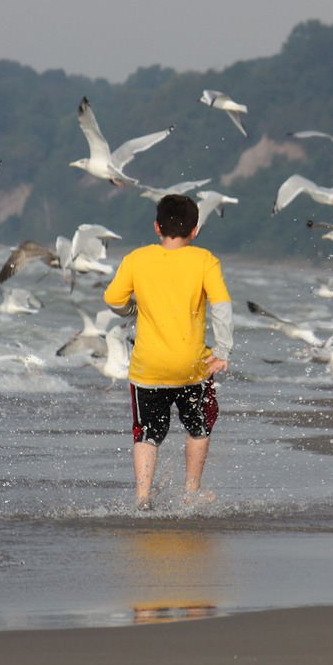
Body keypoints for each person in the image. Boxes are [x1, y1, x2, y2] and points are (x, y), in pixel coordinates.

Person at [103, 194, 233, 508]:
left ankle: (142, 497)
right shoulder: (204, 260)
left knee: (147, 433)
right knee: (199, 426)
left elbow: (113, 300)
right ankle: (191, 492)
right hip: (193, 366)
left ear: (157, 227)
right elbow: (221, 307)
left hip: (149, 367)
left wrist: (134, 310)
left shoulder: (136, 259)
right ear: (195, 231)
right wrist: (223, 350)